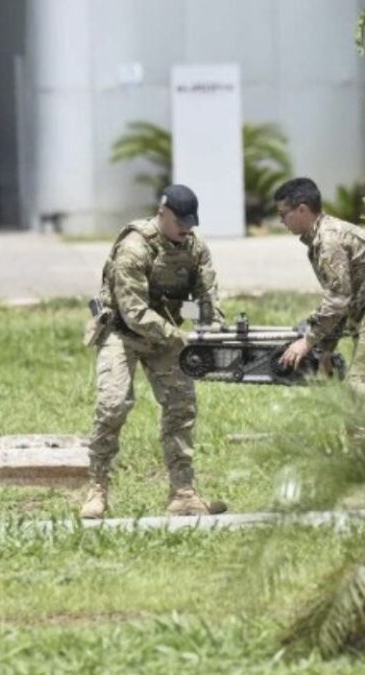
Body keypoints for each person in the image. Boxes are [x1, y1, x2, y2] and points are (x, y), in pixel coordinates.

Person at [80, 184, 224, 519]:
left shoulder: (194, 248)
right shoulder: (134, 248)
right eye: (180, 222)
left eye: (191, 222)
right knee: (113, 404)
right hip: (123, 332)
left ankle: (183, 493)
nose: (186, 229)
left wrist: (213, 329)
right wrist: (180, 337)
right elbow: (134, 312)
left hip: (166, 337)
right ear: (163, 214)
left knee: (181, 406)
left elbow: (207, 298)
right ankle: (97, 490)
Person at [274, 177, 365, 395]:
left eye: (283, 214)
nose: (281, 221)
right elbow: (342, 302)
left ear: (302, 209)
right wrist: (325, 352)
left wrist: (307, 342)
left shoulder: (329, 241)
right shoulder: (322, 237)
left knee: (360, 397)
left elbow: (338, 300)